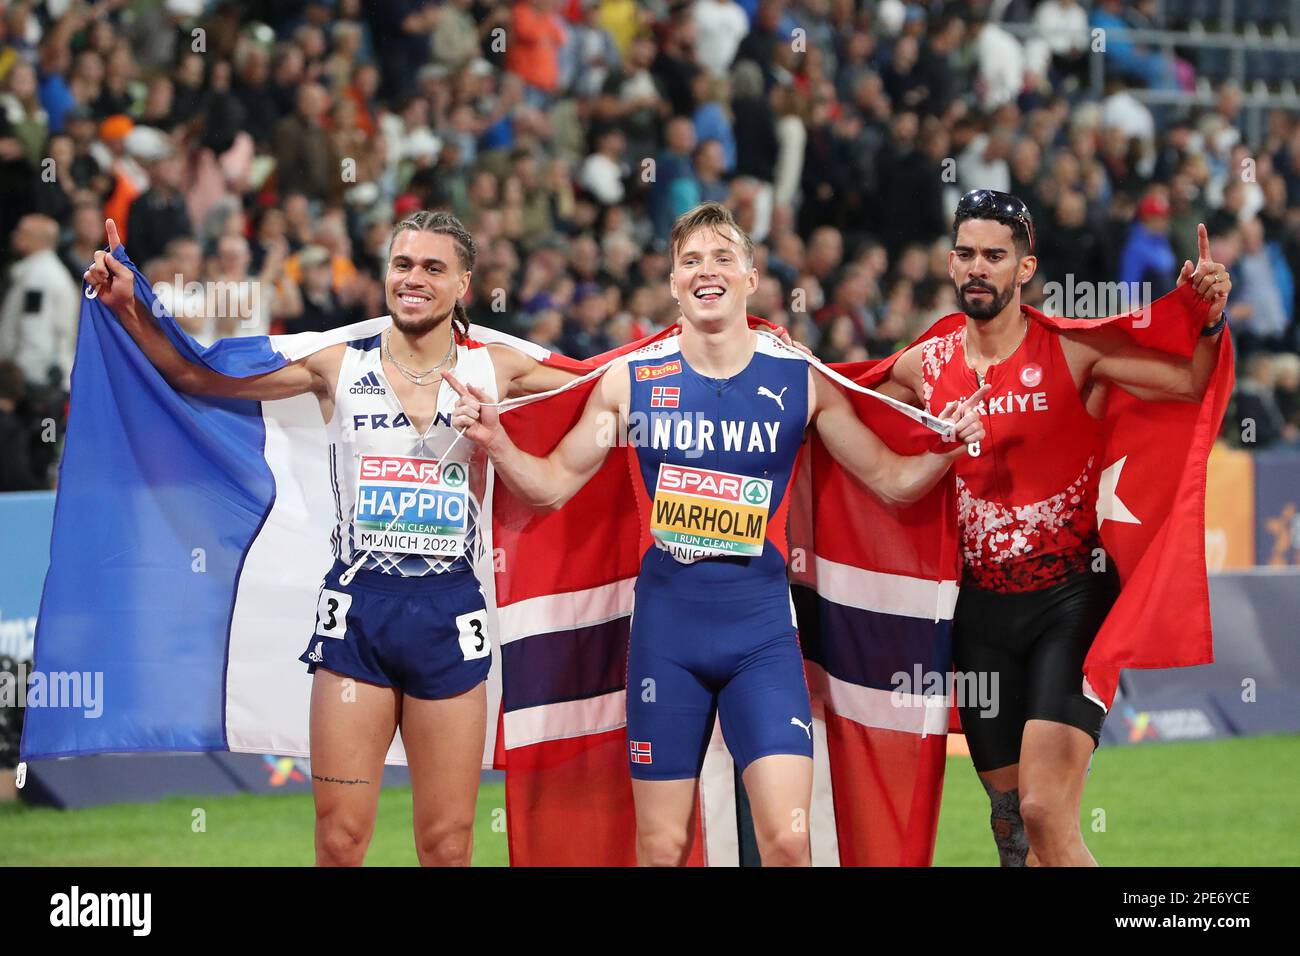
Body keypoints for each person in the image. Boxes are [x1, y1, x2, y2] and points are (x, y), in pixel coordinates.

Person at [446, 202, 987, 866]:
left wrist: (947, 447)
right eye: (691, 261)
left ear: (751, 278)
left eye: (723, 257)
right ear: (673, 282)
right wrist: (498, 442)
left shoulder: (798, 381)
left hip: (761, 639)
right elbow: (553, 484)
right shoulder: (633, 381)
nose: (707, 270)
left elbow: (893, 481)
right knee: (663, 846)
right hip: (664, 644)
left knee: (789, 839)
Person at [81, 210, 578, 867]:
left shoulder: (500, 369)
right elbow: (199, 375)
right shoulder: (337, 365)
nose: (413, 278)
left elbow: (613, 390)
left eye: (433, 267)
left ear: (464, 283)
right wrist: (130, 308)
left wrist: (713, 344)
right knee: (340, 843)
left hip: (451, 617)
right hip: (358, 618)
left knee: (449, 845)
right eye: (402, 264)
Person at [874, 189, 1232, 866]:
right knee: (1014, 831)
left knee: (1045, 811)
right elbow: (849, 414)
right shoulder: (927, 365)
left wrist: (1208, 323)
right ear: (951, 264)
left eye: (995, 256)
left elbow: (1187, 382)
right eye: (967, 253)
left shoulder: (1071, 353)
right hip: (979, 614)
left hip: (1071, 603)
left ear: (1025, 267)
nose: (978, 267)